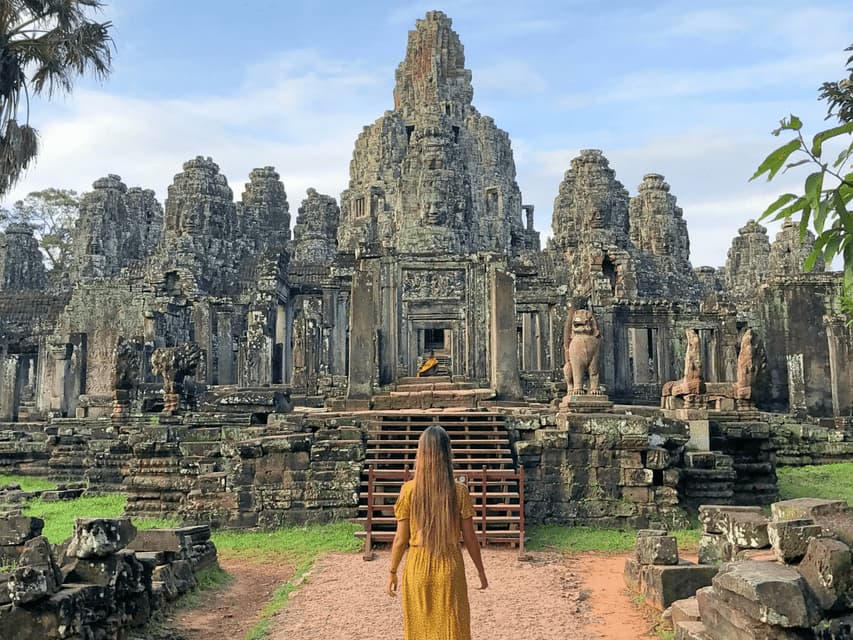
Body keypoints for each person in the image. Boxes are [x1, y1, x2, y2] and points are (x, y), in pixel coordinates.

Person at [386, 425, 488, 640]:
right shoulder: (459, 491)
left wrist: (392, 571)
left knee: (419, 630)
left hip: (417, 567)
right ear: (447, 453)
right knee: (454, 629)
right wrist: (480, 571)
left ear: (421, 453)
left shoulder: (409, 490)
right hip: (449, 566)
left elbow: (400, 539)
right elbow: (470, 538)